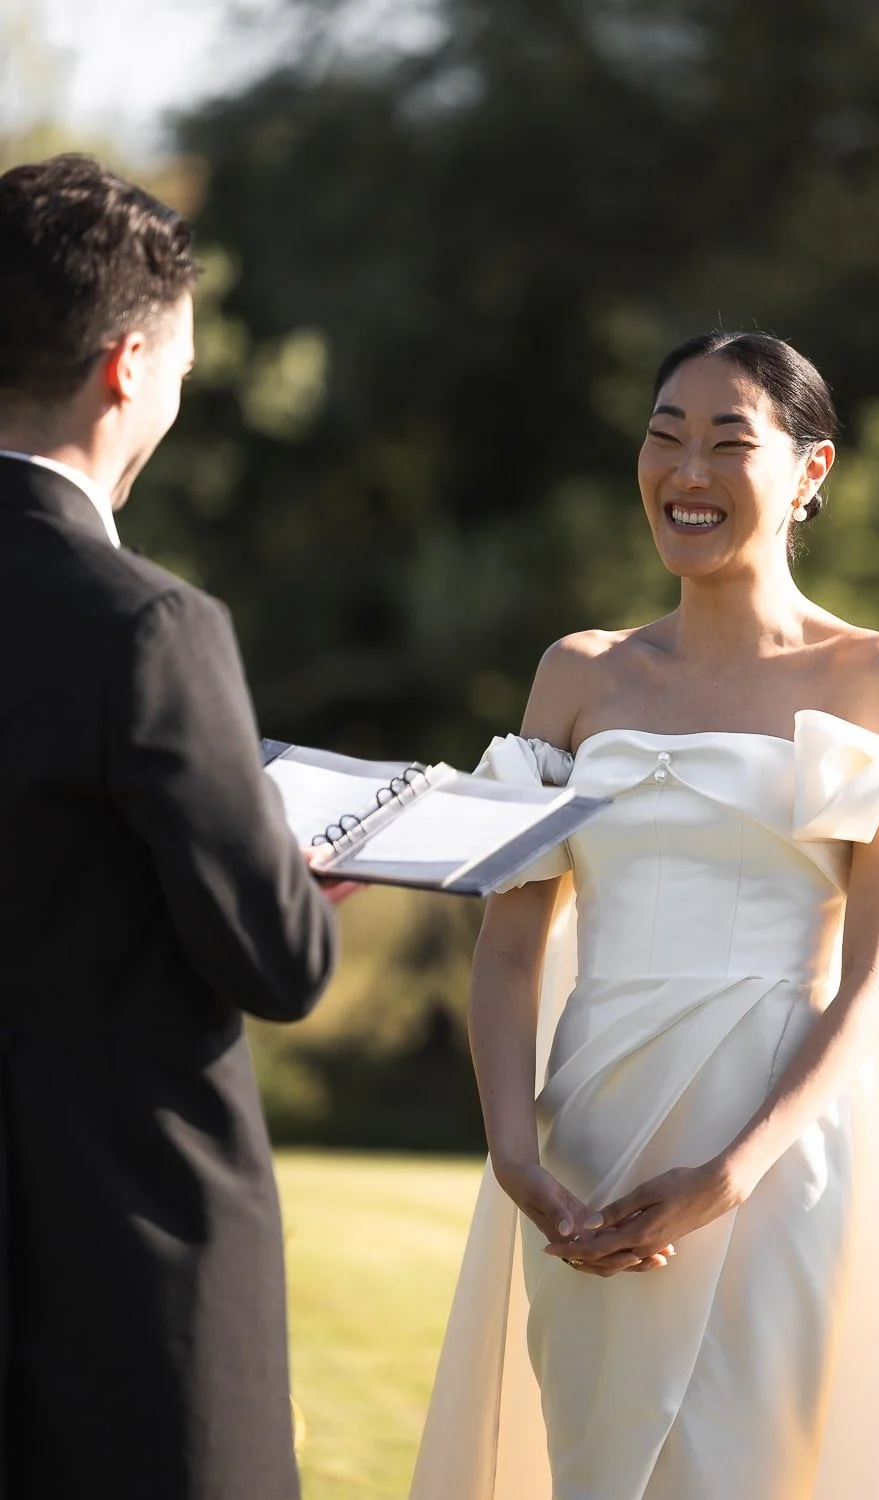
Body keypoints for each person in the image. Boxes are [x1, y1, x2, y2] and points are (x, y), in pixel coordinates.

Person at [410, 331, 879, 1500]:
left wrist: (736, 1169)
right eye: (664, 436)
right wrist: (512, 1152)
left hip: (780, 1154)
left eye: (729, 442)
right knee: (598, 1464)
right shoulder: (578, 675)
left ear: (810, 472)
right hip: (587, 1146)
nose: (686, 472)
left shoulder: (878, 676)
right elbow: (507, 946)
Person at [0, 155, 349, 1499]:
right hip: (124, 1251)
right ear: (129, 368)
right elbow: (278, 960)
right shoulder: (148, 627)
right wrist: (291, 872)